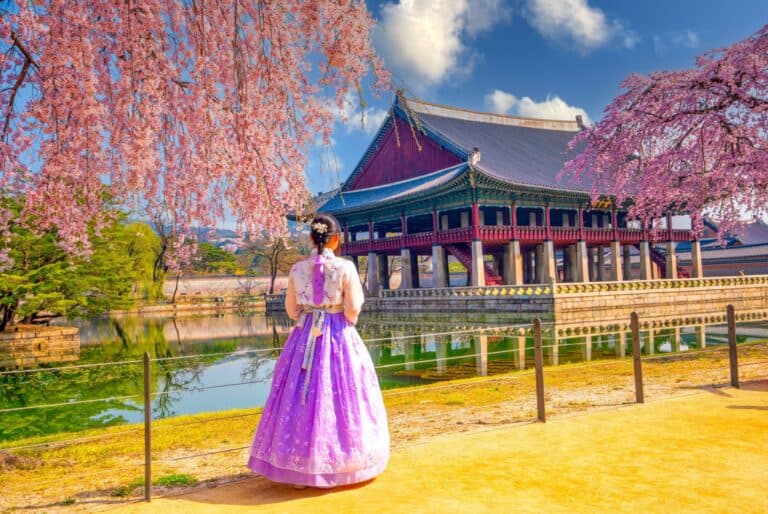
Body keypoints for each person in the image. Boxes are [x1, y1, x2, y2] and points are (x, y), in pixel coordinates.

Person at [248, 214, 390, 488]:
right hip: (338, 335)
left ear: (311, 238)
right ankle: (345, 463)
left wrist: (310, 313)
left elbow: (291, 310)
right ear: (336, 239)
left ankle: (299, 467)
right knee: (344, 396)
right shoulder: (345, 268)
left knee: (300, 396)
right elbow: (353, 308)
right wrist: (342, 317)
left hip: (304, 335)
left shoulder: (297, 270)